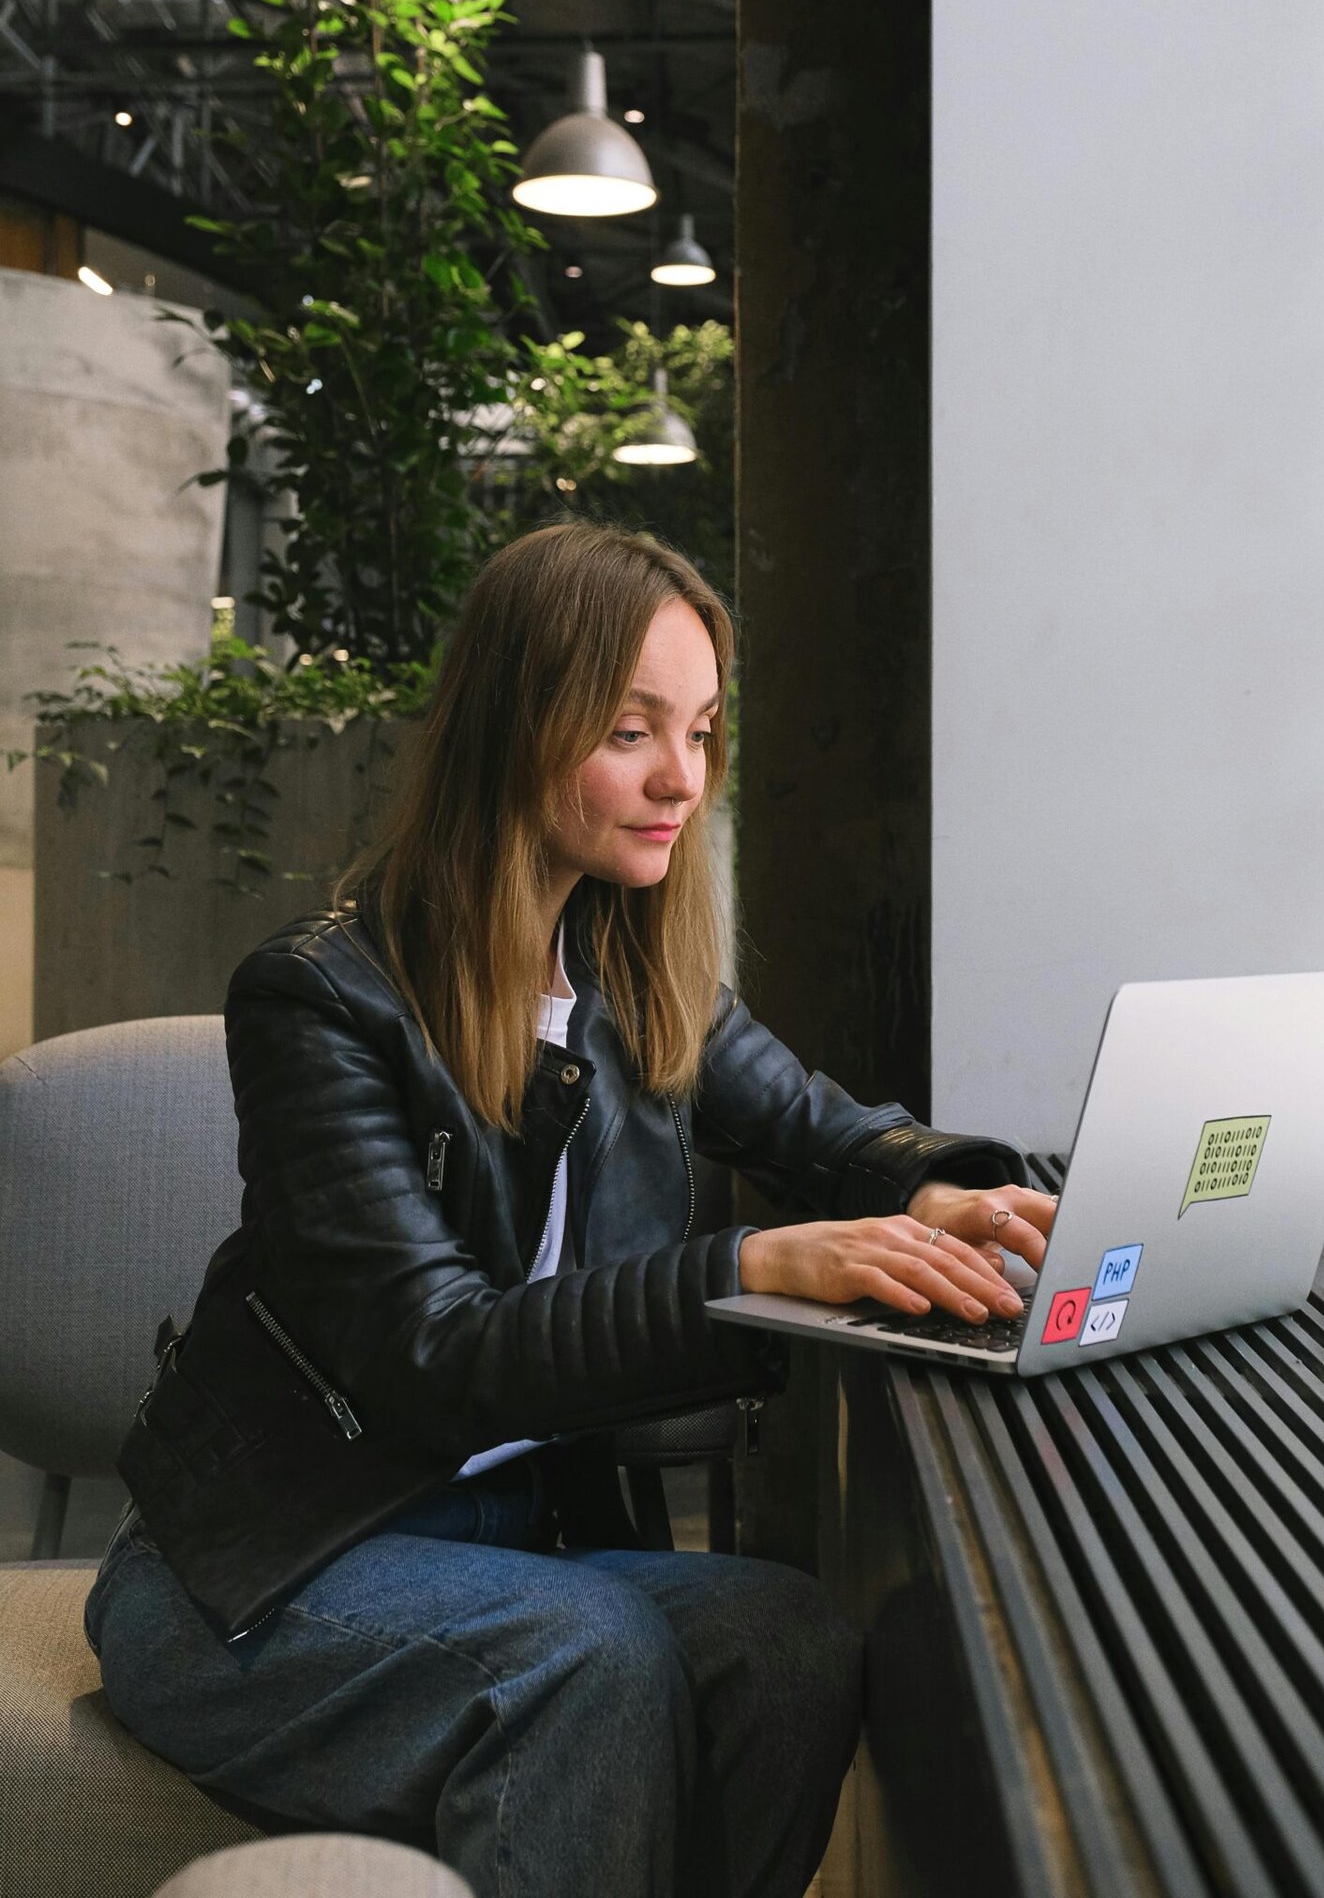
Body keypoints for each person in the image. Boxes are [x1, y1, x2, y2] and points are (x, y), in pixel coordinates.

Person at [84, 523, 1055, 1898]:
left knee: (787, 1644)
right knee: (591, 1658)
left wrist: (985, 1199)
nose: (682, 780)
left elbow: (831, 1142)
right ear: (513, 728)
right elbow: (435, 1355)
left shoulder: (635, 969)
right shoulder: (322, 1002)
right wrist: (755, 1263)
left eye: (704, 731)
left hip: (501, 1552)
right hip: (263, 1573)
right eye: (629, 730)